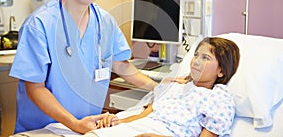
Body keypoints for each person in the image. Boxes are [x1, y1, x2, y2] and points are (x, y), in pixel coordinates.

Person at [9, 0, 157, 135]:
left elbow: (121, 65)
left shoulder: (105, 22)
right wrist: (74, 124)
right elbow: (35, 88)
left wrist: (160, 89)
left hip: (86, 129)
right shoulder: (39, 25)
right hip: (43, 130)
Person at [85, 37, 240, 137]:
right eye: (196, 55)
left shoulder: (219, 97)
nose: (196, 62)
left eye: (205, 58)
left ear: (221, 71)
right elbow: (144, 115)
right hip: (143, 127)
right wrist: (117, 122)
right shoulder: (176, 86)